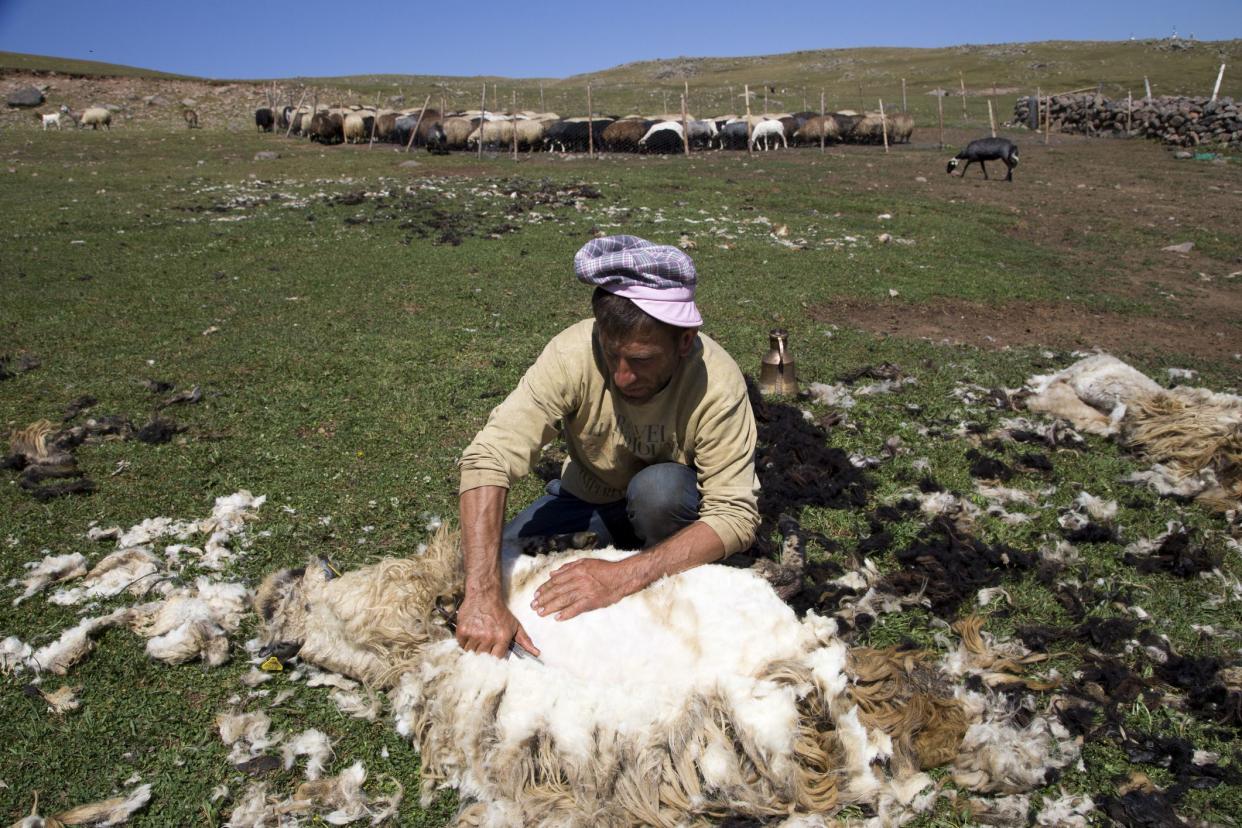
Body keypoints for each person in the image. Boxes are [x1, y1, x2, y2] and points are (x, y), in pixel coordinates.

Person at [455, 235, 760, 658]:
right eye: (612, 353)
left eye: (641, 360)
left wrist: (624, 575)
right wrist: (483, 593)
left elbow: (735, 515)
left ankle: (664, 579)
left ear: (684, 342)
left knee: (658, 490)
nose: (621, 377)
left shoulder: (717, 383)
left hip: (668, 507)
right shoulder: (572, 354)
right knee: (495, 562)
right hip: (588, 497)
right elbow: (489, 456)